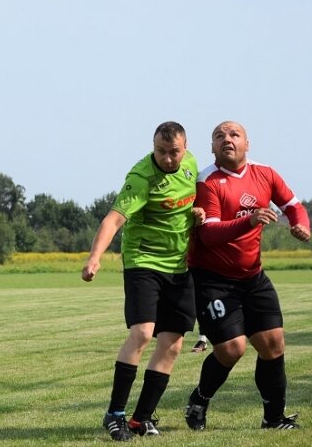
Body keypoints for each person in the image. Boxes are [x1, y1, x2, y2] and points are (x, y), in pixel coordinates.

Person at [184, 120, 311, 432]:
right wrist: (251, 220)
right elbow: (210, 233)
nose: (227, 139)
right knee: (232, 349)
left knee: (273, 343)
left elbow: (293, 205)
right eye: (219, 136)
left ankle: (273, 419)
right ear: (212, 147)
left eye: (234, 134)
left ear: (247, 143)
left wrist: (301, 225)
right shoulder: (208, 181)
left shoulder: (265, 173)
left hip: (253, 277)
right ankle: (199, 400)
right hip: (212, 279)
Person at [82, 121, 202, 442]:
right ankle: (115, 414)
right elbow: (114, 218)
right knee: (143, 333)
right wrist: (95, 258)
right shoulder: (141, 177)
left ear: (185, 148)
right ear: (153, 147)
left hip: (179, 265)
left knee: (173, 343)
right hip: (143, 262)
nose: (167, 158)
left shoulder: (191, 166)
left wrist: (200, 212)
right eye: (161, 152)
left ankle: (141, 418)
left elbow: (198, 197)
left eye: (173, 152)